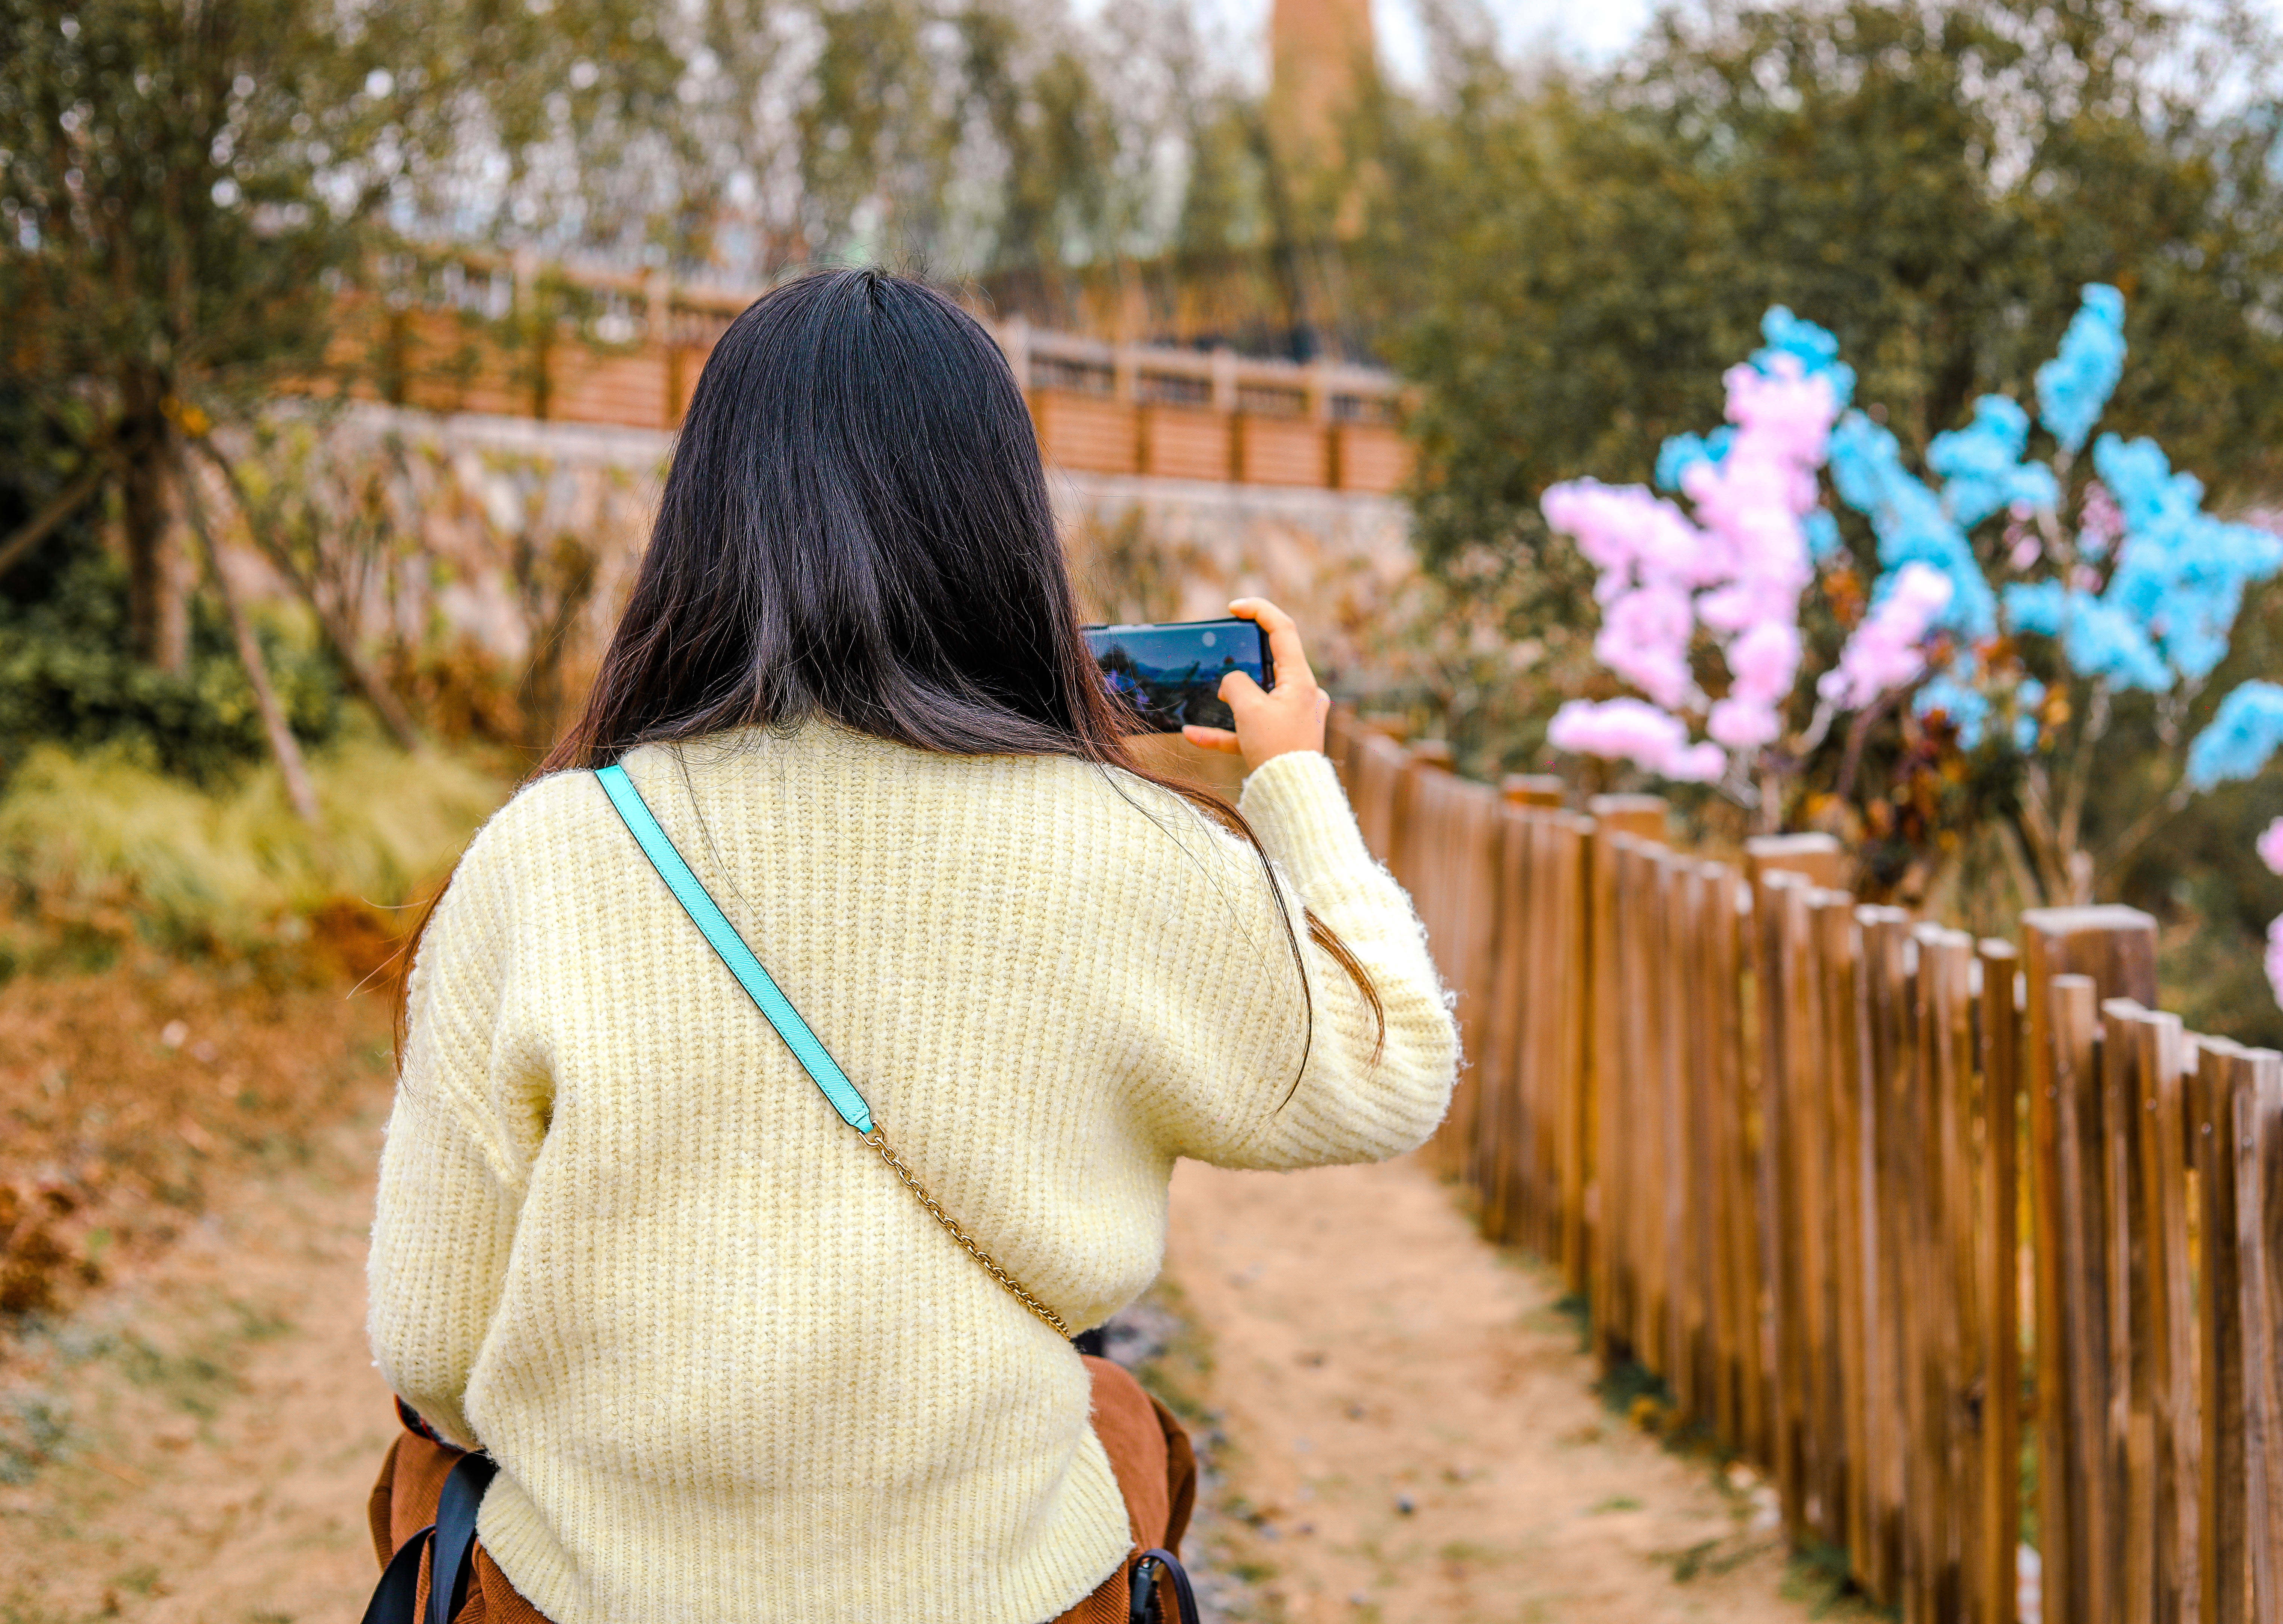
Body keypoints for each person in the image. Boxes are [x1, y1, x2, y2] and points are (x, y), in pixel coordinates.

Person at [364, 267, 1461, 1624]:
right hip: (1003, 1590)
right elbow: (1396, 1065)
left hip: (601, 1592)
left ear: (704, 524)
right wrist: (1291, 778)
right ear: (1000, 528)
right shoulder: (1137, 846)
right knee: (1120, 1427)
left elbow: (430, 1342)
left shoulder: (548, 851)